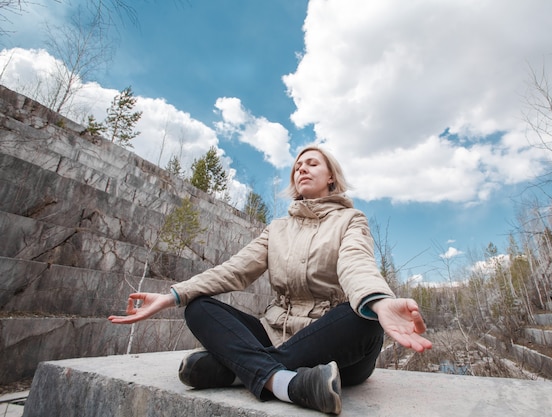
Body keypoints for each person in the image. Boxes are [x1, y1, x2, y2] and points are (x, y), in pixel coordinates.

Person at [109, 145, 432, 415]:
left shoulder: (351, 219)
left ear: (331, 176)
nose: (302, 170)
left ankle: (236, 370)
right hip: (275, 333)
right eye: (297, 167)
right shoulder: (276, 228)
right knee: (199, 307)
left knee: (363, 316)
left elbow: (356, 264)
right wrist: (172, 296)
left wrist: (379, 300)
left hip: (332, 343)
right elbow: (233, 270)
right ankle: (286, 383)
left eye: (312, 163)